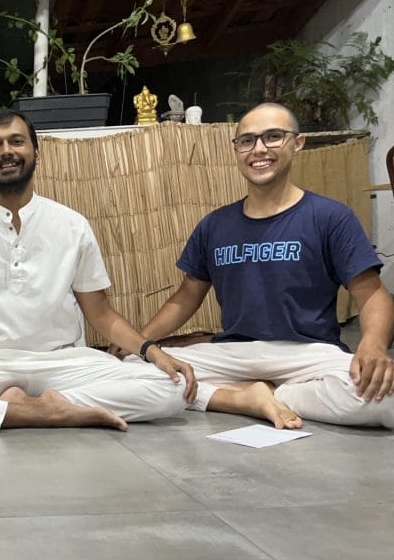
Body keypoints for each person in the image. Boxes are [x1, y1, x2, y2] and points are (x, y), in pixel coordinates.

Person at [0, 109, 196, 432]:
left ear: (36, 154)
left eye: (16, 142)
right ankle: (54, 410)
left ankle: (16, 408)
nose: (6, 152)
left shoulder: (71, 225)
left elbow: (101, 313)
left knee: (173, 387)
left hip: (63, 360)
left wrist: (152, 351)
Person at [116, 102, 394, 429]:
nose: (258, 149)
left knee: (384, 400)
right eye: (246, 141)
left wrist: (373, 344)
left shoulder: (330, 217)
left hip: (307, 353)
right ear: (236, 150)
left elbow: (372, 294)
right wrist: (142, 341)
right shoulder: (214, 225)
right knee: (130, 367)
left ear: (297, 143)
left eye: (273, 137)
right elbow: (185, 297)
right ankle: (241, 398)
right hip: (234, 352)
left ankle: (278, 395)